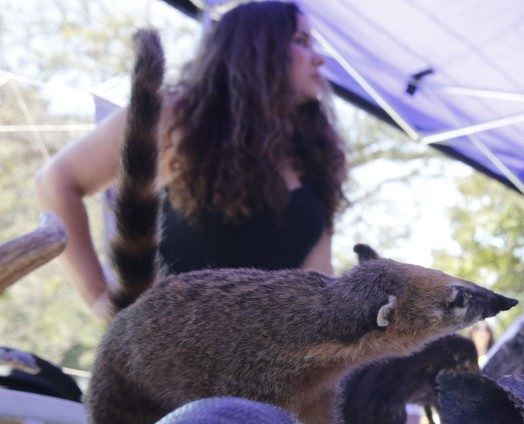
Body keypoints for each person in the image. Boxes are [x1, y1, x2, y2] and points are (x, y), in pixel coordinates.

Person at [35, 1, 346, 320]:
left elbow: (319, 285)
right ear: (258, 49)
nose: (318, 58)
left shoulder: (317, 160)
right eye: (301, 41)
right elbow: (56, 182)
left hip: (268, 364)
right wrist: (99, 296)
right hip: (168, 355)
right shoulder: (176, 118)